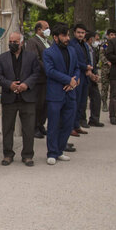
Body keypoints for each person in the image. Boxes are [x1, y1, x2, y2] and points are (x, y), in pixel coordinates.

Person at [0, 31, 40, 167]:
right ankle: (8, 155)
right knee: (8, 128)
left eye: (15, 42)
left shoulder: (31, 57)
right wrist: (10, 84)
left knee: (28, 128)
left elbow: (36, 73)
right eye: (10, 41)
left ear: (21, 42)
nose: (12, 44)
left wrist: (26, 85)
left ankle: (27, 155)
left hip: (27, 98)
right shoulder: (1, 58)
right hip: (9, 97)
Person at [43, 23, 80, 165]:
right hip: (55, 94)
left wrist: (74, 81)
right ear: (56, 37)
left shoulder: (72, 50)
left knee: (68, 124)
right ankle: (51, 152)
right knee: (53, 124)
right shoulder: (48, 52)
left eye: (68, 35)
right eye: (64, 35)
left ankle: (60, 150)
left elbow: (77, 68)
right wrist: (68, 80)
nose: (67, 38)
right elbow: (50, 71)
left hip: (70, 93)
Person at [24, 20, 50, 139]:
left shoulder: (48, 42)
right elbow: (35, 60)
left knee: (45, 104)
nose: (48, 29)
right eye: (46, 27)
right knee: (38, 104)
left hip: (48, 79)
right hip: (39, 78)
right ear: (39, 29)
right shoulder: (32, 42)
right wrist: (49, 69)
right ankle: (34, 127)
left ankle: (40, 125)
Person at [68, 23, 91, 136]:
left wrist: (90, 68)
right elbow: (74, 60)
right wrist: (85, 67)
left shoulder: (85, 45)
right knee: (74, 102)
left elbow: (88, 58)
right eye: (78, 32)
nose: (81, 35)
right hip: (76, 75)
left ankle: (77, 125)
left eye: (82, 33)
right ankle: (71, 126)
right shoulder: (71, 44)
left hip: (85, 75)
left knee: (82, 102)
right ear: (74, 33)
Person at [85, 31, 103, 127]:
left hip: (93, 77)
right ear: (90, 39)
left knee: (96, 98)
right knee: (83, 101)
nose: (97, 41)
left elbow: (94, 64)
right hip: (85, 76)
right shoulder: (83, 49)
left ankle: (94, 119)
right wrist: (90, 74)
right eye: (96, 39)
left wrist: (95, 75)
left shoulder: (93, 49)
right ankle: (81, 121)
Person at [99, 29, 116, 112]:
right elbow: (101, 55)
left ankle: (112, 104)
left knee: (114, 87)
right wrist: (107, 62)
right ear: (107, 36)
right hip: (106, 69)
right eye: (111, 35)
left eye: (114, 35)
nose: (113, 37)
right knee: (105, 87)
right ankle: (104, 103)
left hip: (115, 69)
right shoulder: (105, 45)